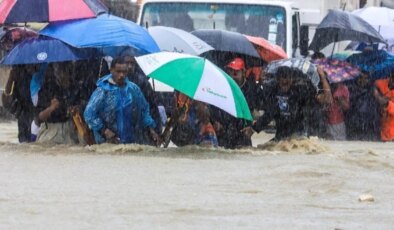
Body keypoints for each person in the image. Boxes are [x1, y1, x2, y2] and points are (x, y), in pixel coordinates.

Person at [242, 66, 332, 142]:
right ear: (277, 79)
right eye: (283, 77)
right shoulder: (273, 92)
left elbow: (327, 99)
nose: (285, 80)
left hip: (299, 138)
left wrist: (322, 77)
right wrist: (253, 129)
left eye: (288, 77)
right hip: (281, 137)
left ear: (292, 79)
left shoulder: (300, 91)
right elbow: (269, 115)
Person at [84, 57, 161, 145]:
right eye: (118, 71)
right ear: (111, 70)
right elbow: (89, 114)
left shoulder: (134, 89)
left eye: (124, 72)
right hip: (107, 142)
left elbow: (144, 111)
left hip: (131, 141)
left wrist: (151, 130)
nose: (121, 75)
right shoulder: (103, 90)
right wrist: (104, 131)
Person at [210, 58, 254, 149]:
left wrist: (253, 128)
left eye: (235, 73)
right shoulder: (222, 87)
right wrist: (214, 121)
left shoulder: (251, 90)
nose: (233, 76)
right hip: (223, 133)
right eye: (230, 72)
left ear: (243, 73)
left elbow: (265, 111)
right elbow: (213, 106)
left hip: (242, 134)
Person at [122, 52, 163, 145]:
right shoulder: (116, 82)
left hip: (141, 124)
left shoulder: (142, 81)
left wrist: (155, 129)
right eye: (127, 63)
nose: (129, 66)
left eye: (132, 63)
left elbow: (151, 105)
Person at [35, 62, 80, 144]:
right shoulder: (46, 90)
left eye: (65, 71)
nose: (63, 74)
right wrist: (51, 108)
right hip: (50, 131)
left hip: (70, 130)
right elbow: (38, 119)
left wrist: (76, 110)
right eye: (59, 71)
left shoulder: (75, 88)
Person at [1, 65, 37, 143]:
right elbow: (7, 103)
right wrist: (11, 79)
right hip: (25, 126)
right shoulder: (19, 72)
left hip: (42, 126)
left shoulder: (46, 73)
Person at [346, 71, 380, 141]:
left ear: (369, 80)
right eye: (361, 78)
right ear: (357, 79)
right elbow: (349, 105)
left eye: (366, 78)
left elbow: (377, 105)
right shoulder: (351, 89)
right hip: (354, 122)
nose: (363, 80)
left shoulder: (373, 90)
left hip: (369, 122)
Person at [373, 72, 394, 141]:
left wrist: (378, 96)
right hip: (381, 125)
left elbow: (383, 102)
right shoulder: (382, 83)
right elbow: (375, 84)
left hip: (390, 134)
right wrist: (376, 90)